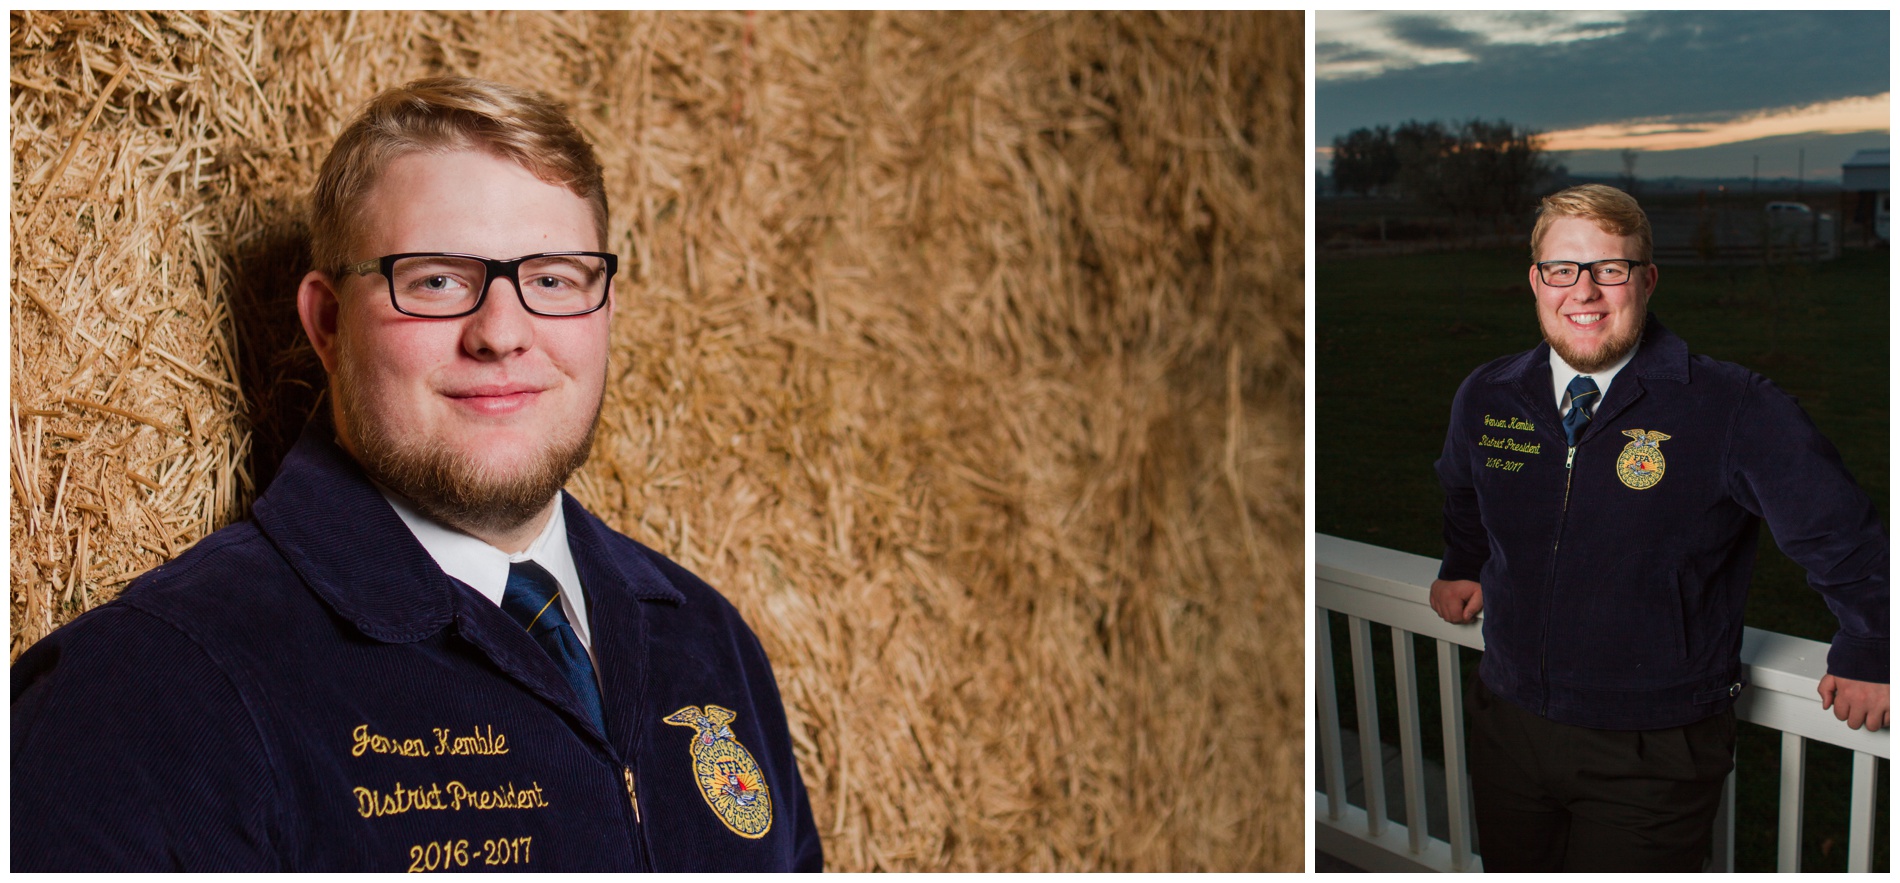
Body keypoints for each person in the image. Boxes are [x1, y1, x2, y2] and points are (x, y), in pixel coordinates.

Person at [11, 78, 822, 872]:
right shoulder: (152, 691)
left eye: (552, 279)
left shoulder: (709, 642)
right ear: (329, 323)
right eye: (436, 279)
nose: (502, 332)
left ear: (604, 310)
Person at [1428, 184, 1888, 872]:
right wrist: (1464, 561)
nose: (1584, 290)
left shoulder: (1733, 408)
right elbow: (1463, 487)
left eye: (1610, 268)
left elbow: (1842, 533)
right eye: (1564, 268)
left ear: (1646, 278)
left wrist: (1873, 645)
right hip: (1510, 720)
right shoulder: (1489, 394)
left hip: (1652, 745)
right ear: (1536, 279)